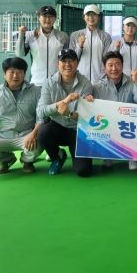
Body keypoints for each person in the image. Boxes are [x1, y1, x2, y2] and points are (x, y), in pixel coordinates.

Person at [0, 58, 42, 174]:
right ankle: (7, 159)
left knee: (41, 141)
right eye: (12, 72)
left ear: (24, 74)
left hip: (27, 135)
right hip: (2, 136)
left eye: (19, 72)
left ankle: (27, 161)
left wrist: (34, 133)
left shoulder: (36, 91)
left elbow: (41, 116)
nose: (15, 76)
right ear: (4, 74)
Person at [85, 51, 137, 171]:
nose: (114, 68)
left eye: (117, 64)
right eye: (110, 65)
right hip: (108, 123)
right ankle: (108, 155)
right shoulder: (97, 86)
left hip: (128, 123)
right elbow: (92, 110)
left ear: (122, 66)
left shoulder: (133, 82)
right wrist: (88, 99)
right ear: (104, 68)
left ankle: (132, 156)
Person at [36, 48, 93, 177]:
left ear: (77, 63)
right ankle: (57, 157)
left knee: (83, 171)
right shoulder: (49, 82)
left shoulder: (86, 84)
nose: (68, 64)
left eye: (71, 61)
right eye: (64, 61)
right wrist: (60, 104)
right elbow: (40, 111)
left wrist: (68, 113)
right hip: (57, 126)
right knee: (43, 133)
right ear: (58, 64)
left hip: (77, 130)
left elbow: (85, 117)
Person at [15, 5, 69, 86]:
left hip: (57, 82)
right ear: (39, 18)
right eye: (44, 16)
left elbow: (67, 58)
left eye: (50, 16)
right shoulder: (31, 35)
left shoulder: (62, 36)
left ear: (55, 19)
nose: (47, 19)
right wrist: (21, 35)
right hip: (36, 82)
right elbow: (19, 54)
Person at [69, 4, 112, 83]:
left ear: (99, 17)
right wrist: (80, 46)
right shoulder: (75, 35)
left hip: (100, 79)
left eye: (94, 15)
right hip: (80, 79)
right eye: (88, 15)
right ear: (84, 17)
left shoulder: (106, 36)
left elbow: (107, 59)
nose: (91, 17)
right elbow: (72, 59)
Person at [110, 16, 137, 82]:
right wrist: (116, 49)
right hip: (120, 82)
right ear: (123, 27)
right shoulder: (115, 44)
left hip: (136, 81)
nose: (130, 28)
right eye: (128, 25)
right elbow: (110, 63)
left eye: (133, 26)